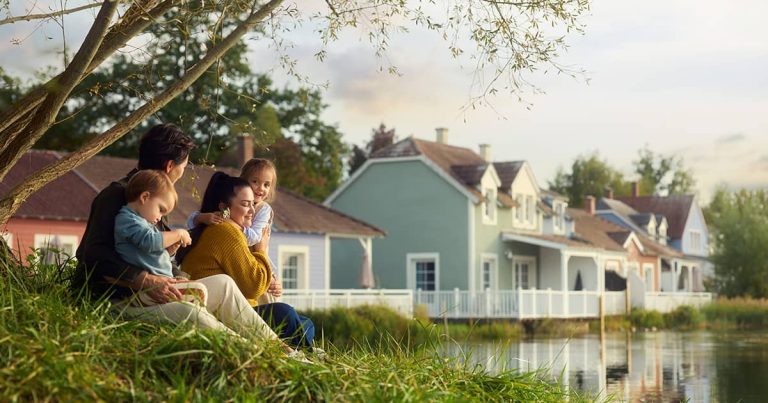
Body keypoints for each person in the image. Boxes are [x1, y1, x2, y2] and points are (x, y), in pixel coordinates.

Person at [72, 124, 287, 346]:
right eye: (183, 167)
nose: (182, 173)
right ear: (169, 166)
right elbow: (92, 253)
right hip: (118, 300)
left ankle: (281, 350)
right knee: (190, 313)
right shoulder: (119, 196)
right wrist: (145, 280)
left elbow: (155, 252)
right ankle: (258, 355)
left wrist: (181, 279)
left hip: (155, 293)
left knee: (223, 284)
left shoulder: (157, 198)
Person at [178, 172, 315, 348]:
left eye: (252, 205)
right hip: (221, 314)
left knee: (305, 322)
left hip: (229, 310)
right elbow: (254, 286)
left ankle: (303, 352)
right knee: (285, 314)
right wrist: (261, 250)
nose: (252, 211)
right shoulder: (226, 232)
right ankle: (302, 355)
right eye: (244, 205)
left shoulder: (214, 228)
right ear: (224, 208)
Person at [114, 170, 205, 306]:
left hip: (162, 284)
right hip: (146, 291)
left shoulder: (142, 222)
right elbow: (150, 242)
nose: (160, 218)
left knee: (198, 289)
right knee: (199, 291)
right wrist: (179, 234)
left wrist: (168, 251)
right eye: (161, 210)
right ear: (145, 197)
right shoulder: (128, 219)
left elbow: (149, 254)